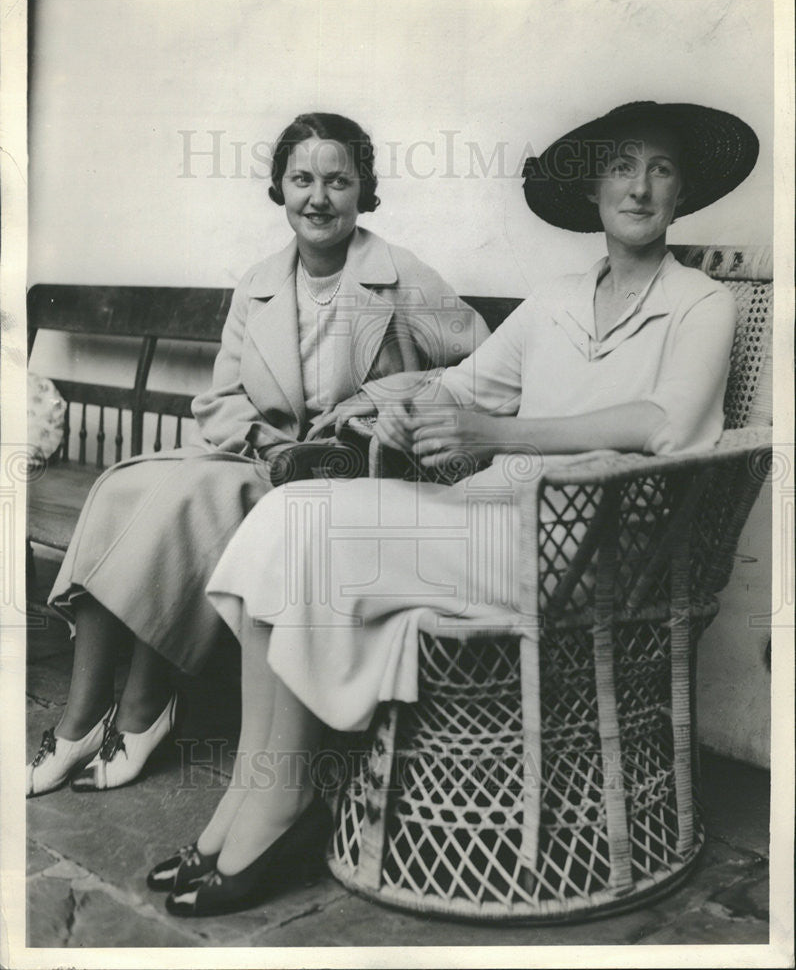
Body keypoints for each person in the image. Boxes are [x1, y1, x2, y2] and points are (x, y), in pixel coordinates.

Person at [152, 101, 759, 916]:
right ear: (592, 189)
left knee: (319, 539)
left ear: (683, 192)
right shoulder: (556, 298)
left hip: (598, 555)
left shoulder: (702, 302)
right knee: (284, 518)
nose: (640, 187)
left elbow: (665, 424)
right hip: (498, 522)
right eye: (622, 166)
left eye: (660, 169)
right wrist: (394, 404)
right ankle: (254, 794)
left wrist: (500, 431)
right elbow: (462, 386)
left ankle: (280, 805)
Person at [26, 111, 489, 798]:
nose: (319, 197)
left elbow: (483, 361)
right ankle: (79, 720)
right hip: (262, 463)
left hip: (343, 480)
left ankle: (143, 711)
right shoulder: (260, 282)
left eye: (338, 181)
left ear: (365, 191)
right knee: (125, 491)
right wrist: (268, 447)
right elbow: (221, 400)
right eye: (302, 179)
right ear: (280, 189)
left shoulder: (399, 277)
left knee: (190, 499)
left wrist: (383, 397)